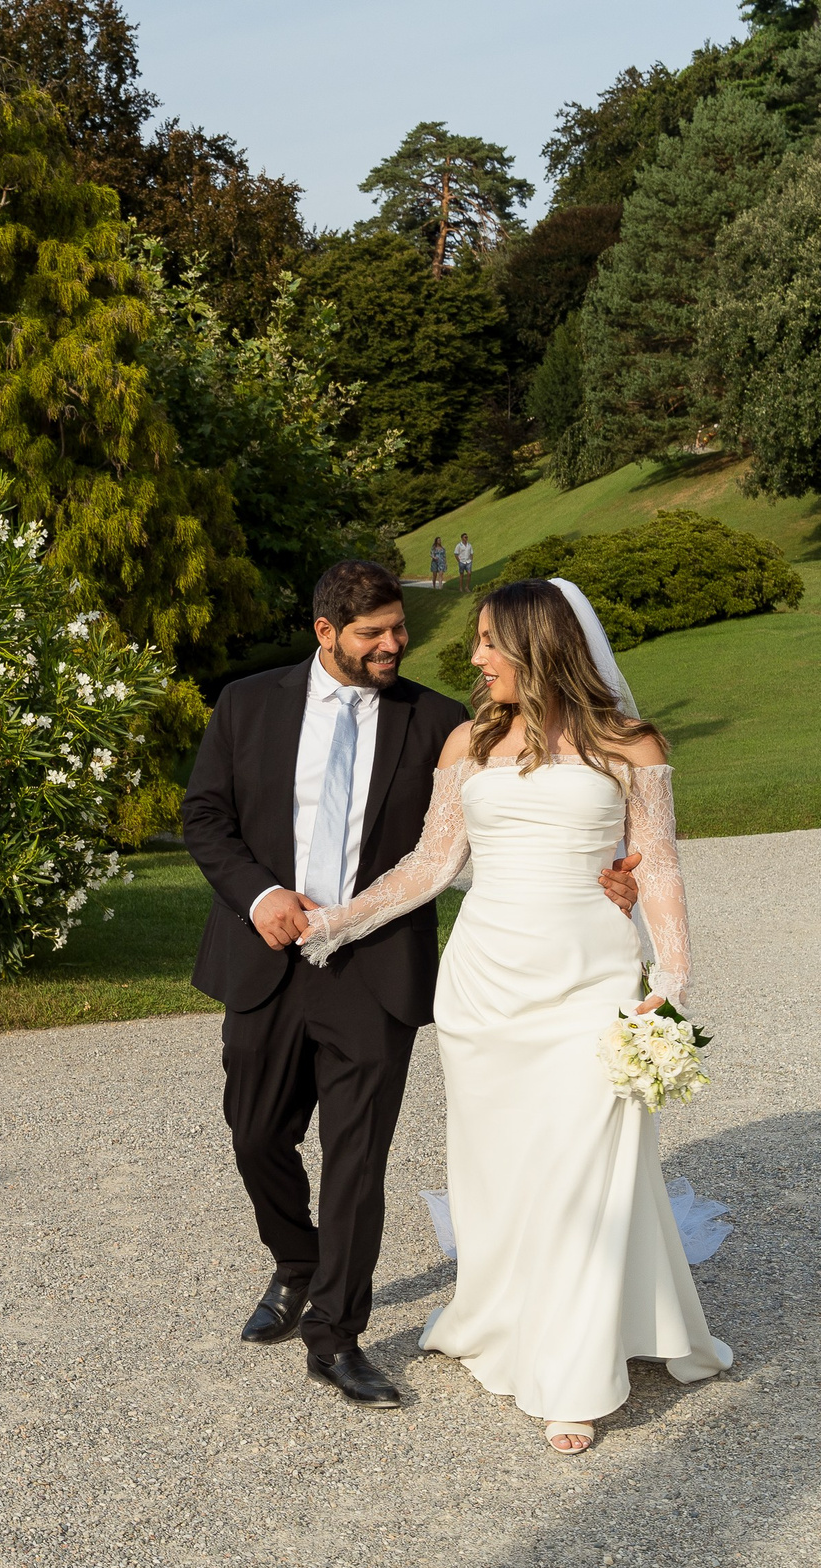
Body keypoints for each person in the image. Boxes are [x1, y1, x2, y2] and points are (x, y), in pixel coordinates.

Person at [181, 561, 642, 1408]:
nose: (394, 644)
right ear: (326, 632)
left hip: (377, 969)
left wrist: (606, 877)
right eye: (374, 634)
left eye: (399, 627)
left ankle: (335, 1334)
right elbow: (204, 817)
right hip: (265, 956)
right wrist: (260, 895)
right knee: (255, 1133)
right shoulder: (246, 704)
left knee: (357, 1162)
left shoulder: (438, 721)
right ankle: (297, 1261)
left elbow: (493, 831)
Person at [297, 578, 731, 1455]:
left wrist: (673, 979)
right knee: (501, 1169)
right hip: (485, 988)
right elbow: (431, 862)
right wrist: (338, 921)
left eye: (490, 640)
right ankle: (504, 1313)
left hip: (590, 978)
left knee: (583, 1166)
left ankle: (573, 1372)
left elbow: (656, 865)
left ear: (537, 645)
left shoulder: (631, 744)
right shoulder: (470, 740)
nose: (475, 656)